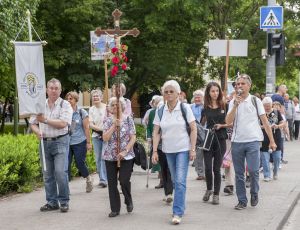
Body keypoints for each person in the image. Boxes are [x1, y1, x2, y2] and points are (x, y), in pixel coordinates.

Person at [226, 74, 276, 210]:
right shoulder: (232, 102)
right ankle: (242, 200)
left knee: (253, 171)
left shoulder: (255, 101)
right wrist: (235, 105)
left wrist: (272, 141)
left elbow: (265, 122)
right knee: (239, 173)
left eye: (242, 83)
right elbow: (228, 122)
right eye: (237, 84)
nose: (239, 86)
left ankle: (254, 193)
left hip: (253, 141)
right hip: (237, 142)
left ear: (249, 85)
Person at [152, 80, 196, 225]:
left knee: (180, 180)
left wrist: (193, 149)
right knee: (175, 181)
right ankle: (181, 205)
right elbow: (156, 131)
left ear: (178, 93)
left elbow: (193, 128)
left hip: (183, 149)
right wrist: (154, 151)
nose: (169, 94)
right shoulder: (160, 110)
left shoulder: (185, 108)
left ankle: (177, 212)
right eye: (166, 91)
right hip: (168, 150)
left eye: (172, 91)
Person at [30, 78, 72, 213]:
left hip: (60, 141)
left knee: (60, 172)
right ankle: (52, 202)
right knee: (47, 174)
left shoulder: (65, 105)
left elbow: (63, 124)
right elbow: (33, 123)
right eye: (51, 88)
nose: (54, 91)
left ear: (60, 90)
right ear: (47, 90)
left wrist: (45, 120)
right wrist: (37, 132)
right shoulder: (39, 104)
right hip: (44, 142)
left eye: (56, 88)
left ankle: (64, 201)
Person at [102, 97, 136, 218]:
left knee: (124, 180)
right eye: (113, 105)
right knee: (112, 183)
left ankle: (128, 199)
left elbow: (133, 137)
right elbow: (105, 138)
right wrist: (113, 126)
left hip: (126, 156)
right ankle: (115, 209)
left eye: (118, 105)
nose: (116, 107)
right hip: (110, 156)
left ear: (122, 107)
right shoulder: (107, 121)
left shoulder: (128, 120)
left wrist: (125, 151)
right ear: (111, 108)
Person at [200, 82, 229, 205]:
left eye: (217, 91)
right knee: (207, 167)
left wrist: (221, 125)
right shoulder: (205, 108)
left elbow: (231, 123)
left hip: (221, 139)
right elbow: (201, 124)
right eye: (212, 91)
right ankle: (209, 189)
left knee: (216, 168)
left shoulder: (225, 106)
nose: (215, 93)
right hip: (208, 140)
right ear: (208, 92)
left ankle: (216, 194)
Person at [66, 91, 93, 192]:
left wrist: (88, 143)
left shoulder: (82, 112)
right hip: (67, 142)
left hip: (80, 142)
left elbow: (86, 128)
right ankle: (66, 187)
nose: (68, 101)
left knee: (79, 163)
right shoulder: (65, 112)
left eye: (71, 99)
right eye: (67, 99)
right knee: (66, 164)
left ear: (76, 100)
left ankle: (88, 178)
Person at [147, 96, 173, 200]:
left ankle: (170, 192)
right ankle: (168, 193)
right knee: (164, 169)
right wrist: (154, 149)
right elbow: (154, 130)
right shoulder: (155, 113)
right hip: (161, 147)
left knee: (170, 170)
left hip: (173, 147)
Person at [260, 97, 284, 181]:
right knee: (265, 158)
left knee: (277, 157)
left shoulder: (276, 112)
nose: (267, 107)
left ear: (271, 104)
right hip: (264, 138)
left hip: (276, 138)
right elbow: (256, 125)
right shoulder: (261, 114)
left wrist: (277, 126)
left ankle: (275, 172)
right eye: (265, 106)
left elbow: (282, 123)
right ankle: (267, 175)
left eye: (268, 105)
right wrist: (264, 126)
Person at [89, 89, 108, 188]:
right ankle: (102, 177)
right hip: (96, 136)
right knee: (98, 159)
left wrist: (106, 131)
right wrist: (101, 129)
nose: (95, 97)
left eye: (97, 96)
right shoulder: (91, 109)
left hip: (106, 136)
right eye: (94, 96)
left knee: (104, 157)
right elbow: (91, 124)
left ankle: (103, 180)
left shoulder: (107, 107)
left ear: (101, 97)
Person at [190, 90, 205, 180]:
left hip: (205, 131)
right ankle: (200, 173)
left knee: (207, 153)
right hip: (195, 132)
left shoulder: (206, 107)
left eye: (199, 97)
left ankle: (207, 172)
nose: (197, 98)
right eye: (195, 97)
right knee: (198, 153)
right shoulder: (190, 107)